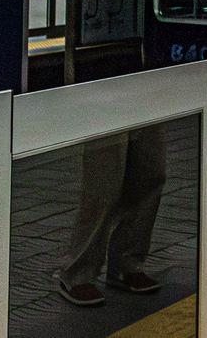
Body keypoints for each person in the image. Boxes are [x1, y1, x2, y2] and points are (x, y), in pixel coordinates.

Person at [58, 124, 166, 306]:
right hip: (105, 100)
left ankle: (126, 264)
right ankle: (78, 273)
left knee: (150, 176)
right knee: (103, 184)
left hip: (149, 97)